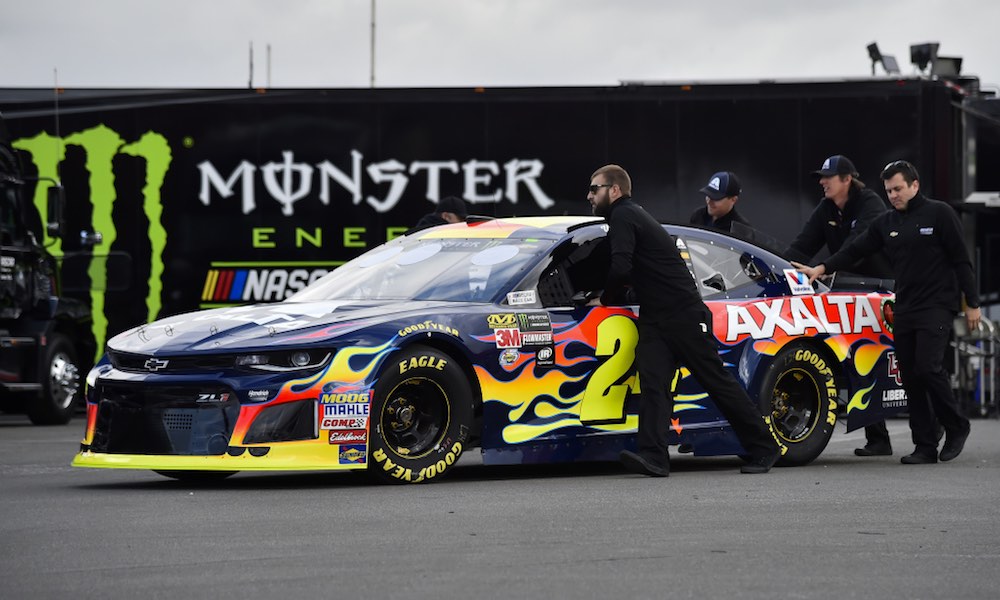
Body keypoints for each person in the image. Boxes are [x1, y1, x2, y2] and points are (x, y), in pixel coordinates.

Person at [587, 164, 781, 477]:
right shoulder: (626, 217)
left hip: (683, 314)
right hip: (655, 316)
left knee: (716, 381)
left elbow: (621, 268)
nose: (589, 195)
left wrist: (605, 299)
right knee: (654, 384)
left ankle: (764, 447)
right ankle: (654, 457)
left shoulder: (624, 214)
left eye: (594, 189)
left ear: (615, 190)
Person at [794, 160, 980, 465]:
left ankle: (956, 425)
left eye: (898, 189)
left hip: (937, 305)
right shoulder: (886, 222)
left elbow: (962, 260)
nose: (893, 195)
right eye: (889, 190)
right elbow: (855, 249)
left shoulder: (940, 213)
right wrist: (823, 267)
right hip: (904, 305)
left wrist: (972, 303)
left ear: (915, 185)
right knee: (910, 376)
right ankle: (925, 446)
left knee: (928, 367)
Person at [785, 154, 896, 457]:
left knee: (899, 365)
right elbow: (802, 245)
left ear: (847, 179)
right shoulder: (826, 208)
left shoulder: (870, 203)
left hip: (884, 293)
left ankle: (934, 425)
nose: (822, 182)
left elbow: (857, 247)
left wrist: (824, 267)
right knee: (862, 360)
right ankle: (879, 439)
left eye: (828, 177)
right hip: (851, 294)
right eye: (820, 177)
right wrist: (777, 267)